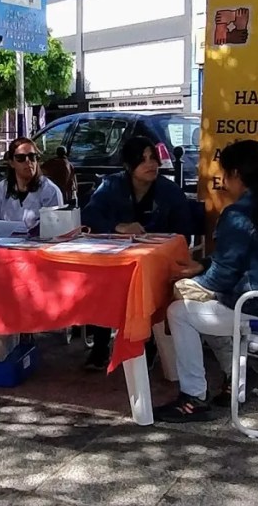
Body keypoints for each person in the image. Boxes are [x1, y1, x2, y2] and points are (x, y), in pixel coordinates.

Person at [154, 140, 258, 423]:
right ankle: (240, 374)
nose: (224, 180)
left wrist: (194, 283)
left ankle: (193, 398)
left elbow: (223, 276)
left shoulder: (238, 214)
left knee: (180, 311)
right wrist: (201, 266)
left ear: (236, 174)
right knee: (206, 306)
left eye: (225, 173)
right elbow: (241, 257)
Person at [80, 135, 193, 371]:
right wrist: (117, 227)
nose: (151, 164)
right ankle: (100, 346)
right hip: (119, 260)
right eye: (143, 160)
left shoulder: (169, 191)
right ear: (128, 166)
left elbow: (184, 233)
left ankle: (147, 344)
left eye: (153, 158)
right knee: (102, 281)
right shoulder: (111, 184)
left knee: (139, 285)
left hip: (159, 264)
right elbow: (90, 215)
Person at [0, 137, 64, 227]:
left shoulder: (50, 191)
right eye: (21, 158)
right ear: (12, 163)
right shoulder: (0, 189)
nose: (28, 162)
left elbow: (55, 229)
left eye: (32, 157)